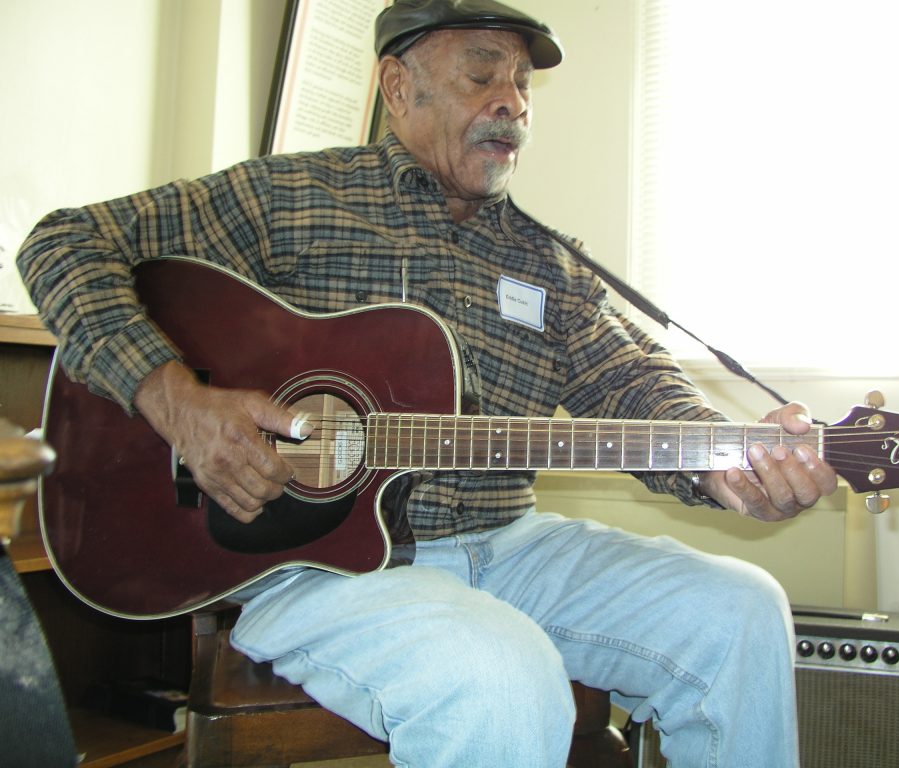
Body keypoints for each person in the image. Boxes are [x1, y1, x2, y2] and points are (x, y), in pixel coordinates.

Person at [18, 1, 837, 765]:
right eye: (483, 74)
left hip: (512, 546)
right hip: (320, 569)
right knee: (500, 676)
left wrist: (732, 468)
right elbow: (62, 244)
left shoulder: (549, 262)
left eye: (522, 83)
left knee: (741, 609)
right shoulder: (293, 196)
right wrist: (176, 401)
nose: (512, 101)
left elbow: (637, 388)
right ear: (398, 85)